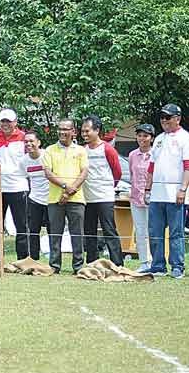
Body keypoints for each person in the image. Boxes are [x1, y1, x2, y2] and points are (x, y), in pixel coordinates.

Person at [143, 104, 188, 279]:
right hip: (157, 193)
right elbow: (151, 167)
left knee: (176, 232)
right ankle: (158, 265)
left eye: (168, 117)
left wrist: (183, 189)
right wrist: (147, 189)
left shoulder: (185, 138)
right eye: (162, 117)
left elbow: (187, 166)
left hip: (175, 192)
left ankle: (177, 266)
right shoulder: (160, 138)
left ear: (178, 118)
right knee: (155, 230)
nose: (164, 120)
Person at [43, 119, 88, 274]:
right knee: (55, 233)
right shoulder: (49, 150)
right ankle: (54, 266)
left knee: (77, 234)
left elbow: (84, 173)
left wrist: (69, 192)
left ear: (73, 132)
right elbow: (48, 173)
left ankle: (78, 267)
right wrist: (65, 187)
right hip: (55, 199)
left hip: (76, 198)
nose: (62, 132)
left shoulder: (81, 150)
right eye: (60, 129)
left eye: (66, 129)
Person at [0, 109, 29, 265]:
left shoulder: (24, 138)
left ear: (15, 122)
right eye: (3, 121)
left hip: (18, 186)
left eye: (8, 121)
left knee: (22, 225)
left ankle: (23, 259)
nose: (5, 124)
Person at [80, 115, 123, 266]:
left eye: (87, 131)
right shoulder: (83, 150)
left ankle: (117, 263)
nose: (84, 134)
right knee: (89, 231)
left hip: (105, 196)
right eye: (82, 131)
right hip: (87, 197)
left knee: (109, 230)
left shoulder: (107, 148)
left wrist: (108, 187)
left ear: (97, 130)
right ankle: (92, 262)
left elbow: (117, 172)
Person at [128, 124, 154, 272]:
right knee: (140, 230)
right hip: (136, 198)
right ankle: (144, 262)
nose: (142, 138)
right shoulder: (132, 155)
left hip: (152, 198)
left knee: (153, 231)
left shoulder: (156, 154)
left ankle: (156, 262)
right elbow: (132, 176)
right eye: (139, 135)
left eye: (145, 136)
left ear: (151, 138)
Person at [20, 131, 49, 260]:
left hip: (50, 200)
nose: (29, 144)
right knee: (33, 232)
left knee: (52, 232)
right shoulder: (23, 161)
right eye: (26, 142)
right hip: (34, 199)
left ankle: (54, 261)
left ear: (39, 143)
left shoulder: (47, 156)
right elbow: (25, 178)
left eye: (31, 141)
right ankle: (34, 260)